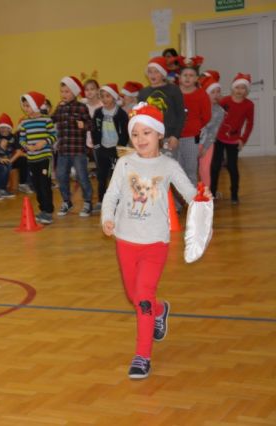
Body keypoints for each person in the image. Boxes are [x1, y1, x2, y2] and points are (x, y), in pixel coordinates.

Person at [101, 102, 211, 380]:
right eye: (135, 134)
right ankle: (161, 311)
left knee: (142, 299)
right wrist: (107, 217)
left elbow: (189, 193)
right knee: (134, 296)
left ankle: (142, 356)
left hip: (155, 244)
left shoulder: (168, 165)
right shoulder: (125, 163)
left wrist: (202, 196)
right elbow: (111, 194)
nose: (140, 139)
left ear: (159, 134)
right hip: (125, 241)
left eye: (146, 133)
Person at [51, 76, 93, 217]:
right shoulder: (60, 108)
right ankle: (66, 201)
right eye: (62, 91)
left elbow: (91, 125)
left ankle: (87, 202)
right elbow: (52, 120)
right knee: (61, 175)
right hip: (63, 150)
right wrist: (45, 113)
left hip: (78, 150)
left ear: (74, 92)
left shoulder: (81, 107)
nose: (64, 94)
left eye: (67, 92)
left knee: (82, 176)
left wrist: (84, 125)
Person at [210, 73, 254, 204]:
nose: (239, 90)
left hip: (233, 141)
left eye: (243, 88)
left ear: (247, 91)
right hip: (218, 138)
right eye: (237, 87)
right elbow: (214, 116)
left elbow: (250, 123)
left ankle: (234, 194)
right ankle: (212, 193)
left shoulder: (249, 105)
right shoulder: (225, 101)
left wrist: (243, 139)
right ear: (232, 88)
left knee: (232, 167)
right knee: (215, 166)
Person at [19, 91, 56, 224]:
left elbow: (53, 136)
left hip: (45, 158)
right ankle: (43, 210)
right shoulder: (24, 122)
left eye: (28, 106)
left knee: (45, 184)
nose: (25, 108)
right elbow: (21, 139)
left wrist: (44, 142)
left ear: (35, 105)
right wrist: (27, 146)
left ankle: (48, 211)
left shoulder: (46, 120)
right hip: (32, 159)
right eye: (24, 106)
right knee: (37, 186)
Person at [91, 84, 129, 210]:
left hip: (116, 150)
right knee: (101, 176)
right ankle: (101, 201)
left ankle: (117, 202)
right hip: (102, 149)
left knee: (115, 177)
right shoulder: (98, 113)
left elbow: (125, 133)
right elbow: (94, 129)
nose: (104, 99)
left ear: (114, 97)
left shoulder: (121, 114)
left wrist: (119, 147)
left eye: (108, 96)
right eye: (102, 96)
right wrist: (97, 145)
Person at [138, 57, 186, 158]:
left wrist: (175, 136)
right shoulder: (143, 93)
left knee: (169, 166)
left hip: (169, 138)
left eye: (156, 72)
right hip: (150, 138)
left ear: (163, 74)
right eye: (150, 72)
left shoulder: (173, 89)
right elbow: (140, 117)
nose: (152, 75)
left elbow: (181, 114)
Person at [177, 56, 211, 186]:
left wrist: (195, 126)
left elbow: (206, 116)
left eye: (191, 75)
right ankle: (178, 198)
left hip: (192, 137)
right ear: (179, 78)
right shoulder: (174, 93)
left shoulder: (201, 94)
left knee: (191, 170)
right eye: (185, 75)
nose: (187, 78)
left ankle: (192, 197)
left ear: (197, 78)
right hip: (174, 137)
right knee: (176, 170)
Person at [198, 75, 224, 188]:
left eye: (218, 91)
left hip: (207, 143)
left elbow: (213, 131)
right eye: (212, 92)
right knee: (189, 168)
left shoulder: (219, 111)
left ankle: (206, 193)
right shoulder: (198, 107)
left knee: (205, 169)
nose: (216, 94)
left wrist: (205, 147)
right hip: (192, 141)